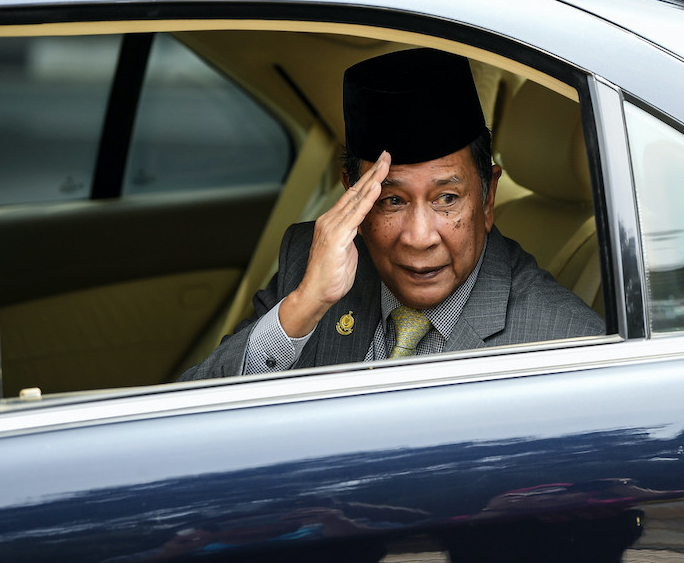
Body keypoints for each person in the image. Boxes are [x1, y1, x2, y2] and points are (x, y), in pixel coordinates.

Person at [180, 47, 603, 382]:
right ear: (354, 201)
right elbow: (189, 423)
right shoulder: (309, 264)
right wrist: (305, 305)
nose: (419, 237)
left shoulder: (564, 343)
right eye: (392, 201)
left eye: (447, 199)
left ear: (488, 198)